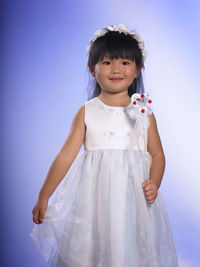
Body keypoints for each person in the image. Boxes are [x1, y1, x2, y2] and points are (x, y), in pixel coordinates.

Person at [30, 24, 178, 267]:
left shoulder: (143, 112)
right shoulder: (87, 111)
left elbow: (158, 154)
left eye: (125, 62)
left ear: (138, 69)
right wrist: (44, 196)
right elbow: (66, 156)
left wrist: (155, 182)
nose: (116, 69)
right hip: (93, 200)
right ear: (92, 69)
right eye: (107, 62)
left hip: (134, 200)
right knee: (91, 249)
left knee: (129, 249)